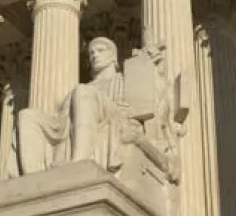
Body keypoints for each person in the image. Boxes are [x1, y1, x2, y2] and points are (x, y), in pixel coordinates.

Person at [15, 37, 142, 175]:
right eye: (91, 53)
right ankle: (34, 178)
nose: (94, 55)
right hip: (67, 125)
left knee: (82, 91)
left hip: (112, 119)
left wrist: (150, 65)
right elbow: (62, 118)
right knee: (27, 115)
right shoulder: (84, 88)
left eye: (100, 50)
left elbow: (138, 111)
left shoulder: (122, 80)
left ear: (113, 56)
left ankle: (80, 162)